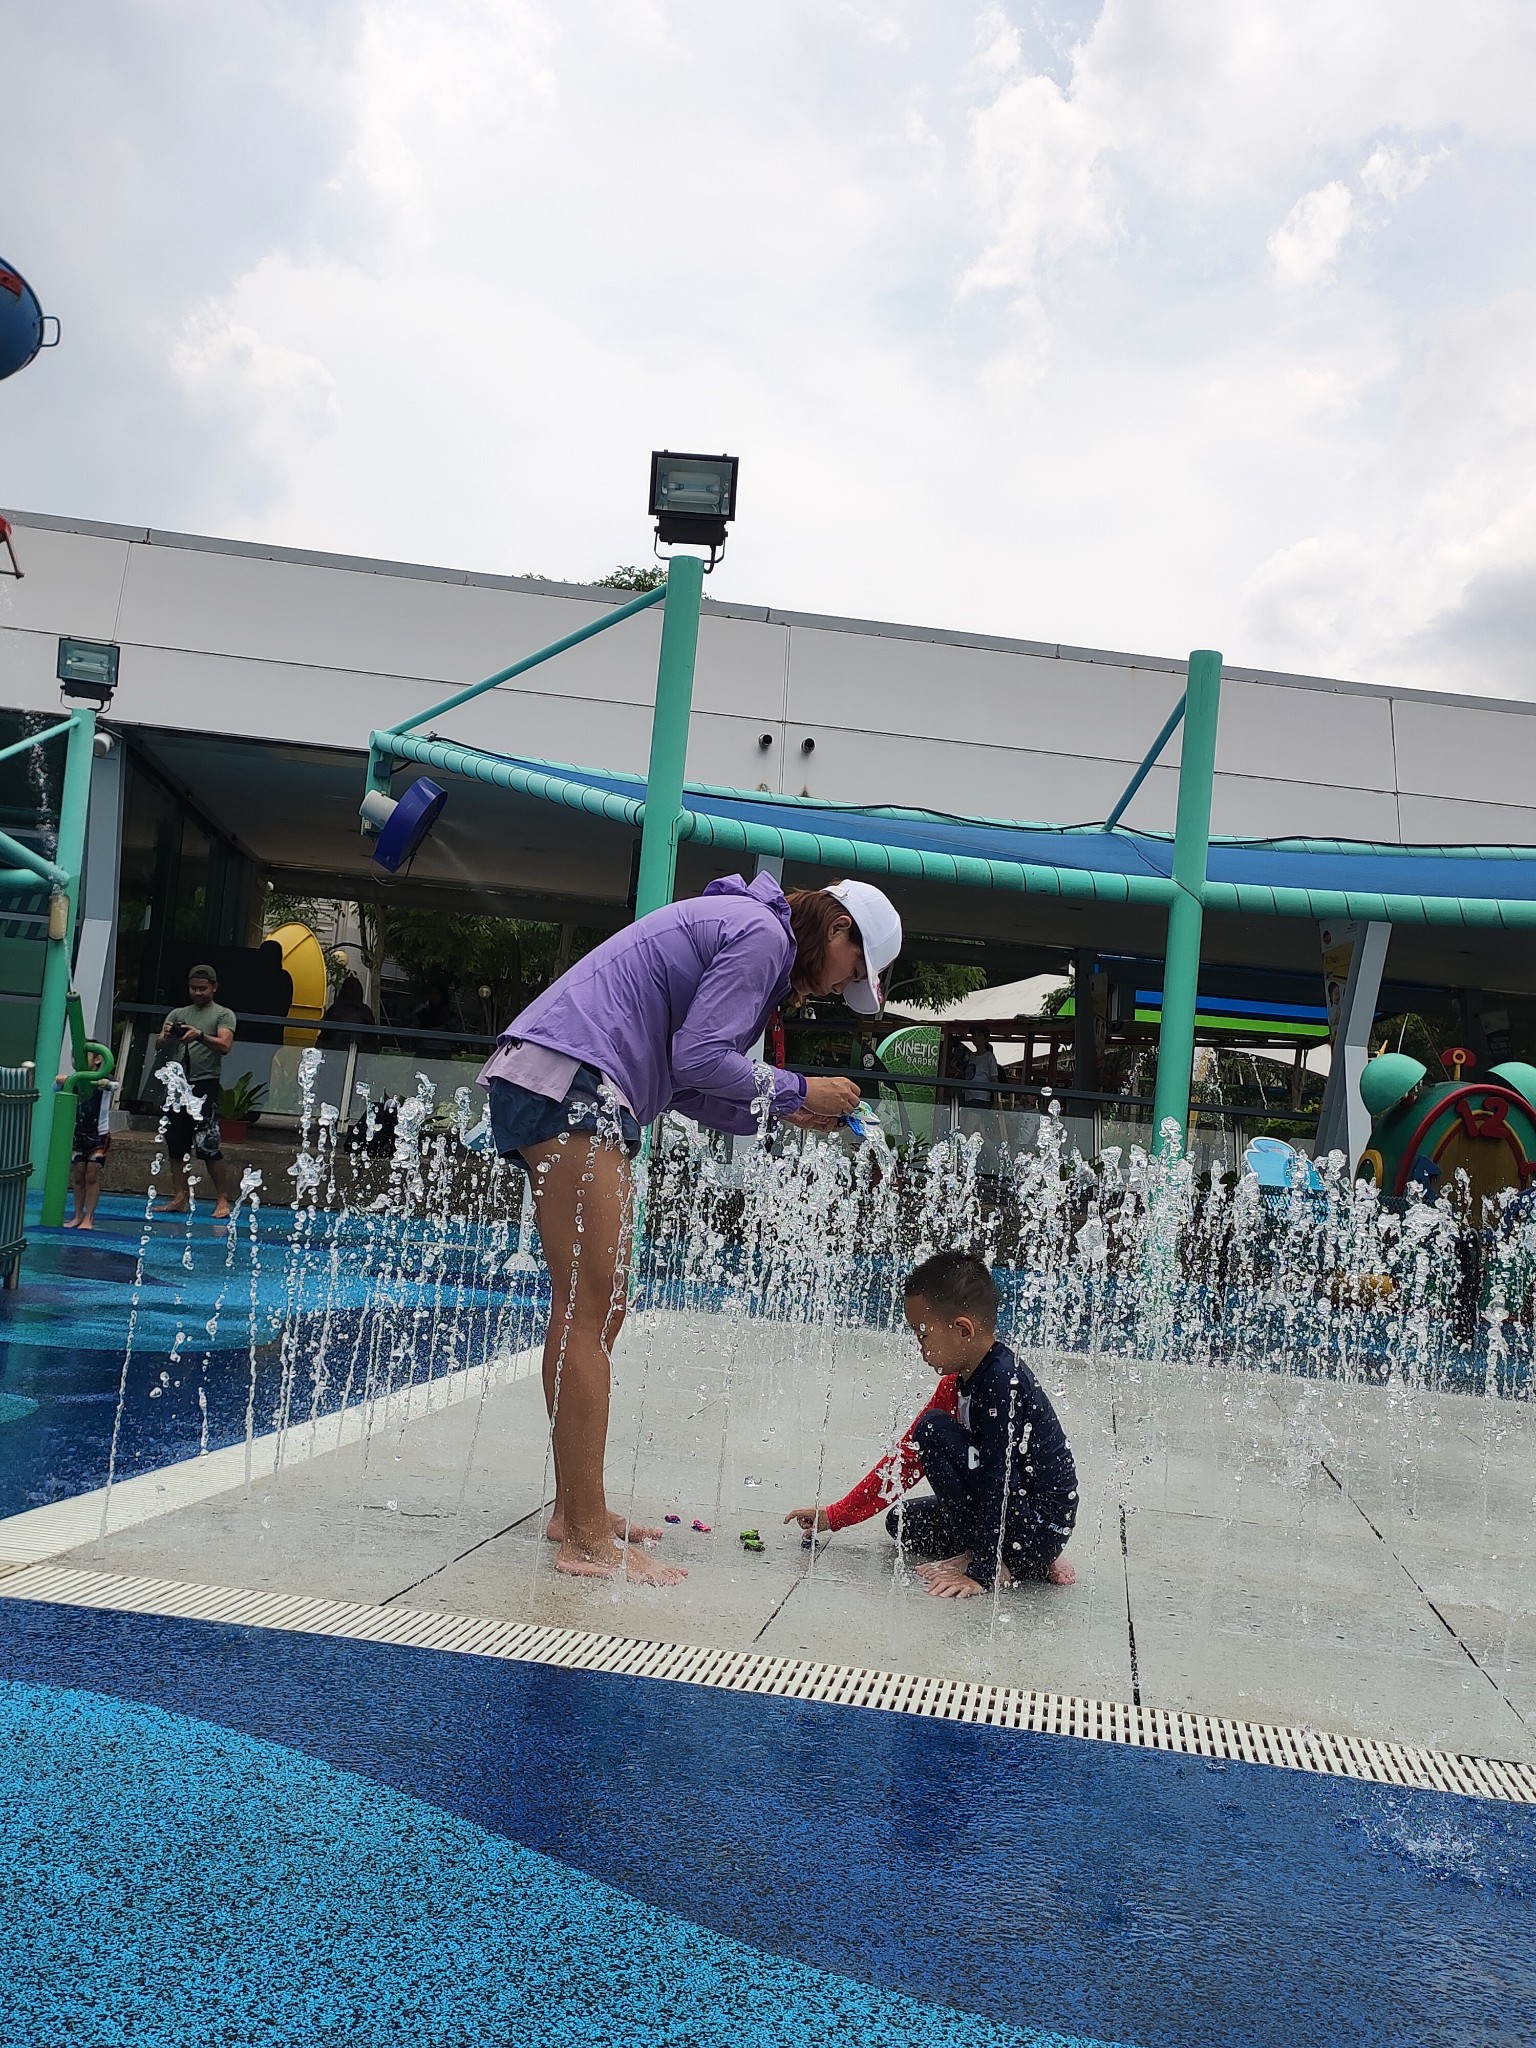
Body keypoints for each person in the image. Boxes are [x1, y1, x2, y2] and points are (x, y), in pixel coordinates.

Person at [479, 871, 903, 1587]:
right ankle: (584, 1535)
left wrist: (784, 1110)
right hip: (574, 1080)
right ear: (838, 930)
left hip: (562, 1076)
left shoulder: (745, 930)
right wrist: (799, 1087)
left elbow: (686, 1085)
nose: (843, 984)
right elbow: (699, 1059)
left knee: (597, 1305)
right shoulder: (763, 936)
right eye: (854, 968)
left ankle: (575, 1508)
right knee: (591, 1305)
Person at [786, 1249, 1078, 1596]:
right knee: (902, 1522)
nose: (920, 1347)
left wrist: (981, 1570)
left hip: (1035, 1522)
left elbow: (998, 1479)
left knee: (933, 1428)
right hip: (1016, 1513)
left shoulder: (1002, 1382)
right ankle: (1023, 1559)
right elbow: (906, 1461)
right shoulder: (959, 1382)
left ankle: (1008, 1558)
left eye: (923, 1335)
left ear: (962, 1329)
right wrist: (834, 1517)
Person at [155, 964, 237, 1220]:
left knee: (208, 1144)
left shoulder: (223, 1014)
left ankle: (222, 1197)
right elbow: (158, 1044)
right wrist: (168, 1034)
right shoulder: (178, 1013)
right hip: (177, 1083)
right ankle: (180, 1196)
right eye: (193, 988)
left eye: (203, 988)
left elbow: (225, 1045)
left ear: (214, 987)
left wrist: (199, 1036)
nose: (198, 993)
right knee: (175, 1142)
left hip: (205, 1083)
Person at [57, 1048, 114, 1231]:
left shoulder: (104, 1080)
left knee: (92, 1175)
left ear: (98, 1059)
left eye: (83, 1057)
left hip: (99, 1135)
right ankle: (77, 1215)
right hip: (78, 1134)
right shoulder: (74, 1081)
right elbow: (55, 1088)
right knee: (79, 1175)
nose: (77, 1060)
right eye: (74, 1056)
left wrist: (105, 1083)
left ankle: (89, 1216)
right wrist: (59, 1081)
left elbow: (114, 1086)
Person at [318, 973, 375, 1050]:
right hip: (359, 1054)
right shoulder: (365, 1011)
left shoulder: (335, 1009)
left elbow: (324, 1034)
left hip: (333, 1051)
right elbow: (372, 1039)